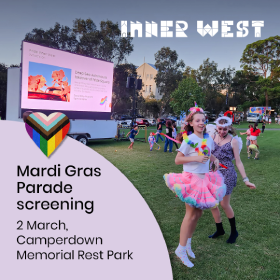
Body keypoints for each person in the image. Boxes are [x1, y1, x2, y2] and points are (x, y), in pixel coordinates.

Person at [163, 105, 226, 267]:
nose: (201, 123)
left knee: (198, 214)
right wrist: (196, 159)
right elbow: (178, 160)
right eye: (197, 120)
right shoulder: (189, 140)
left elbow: (207, 152)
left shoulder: (207, 138)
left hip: (204, 180)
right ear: (190, 123)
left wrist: (215, 160)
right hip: (190, 180)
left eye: (203, 120)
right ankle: (180, 249)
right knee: (190, 215)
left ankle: (188, 244)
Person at [208, 116, 256, 244]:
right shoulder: (212, 137)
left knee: (224, 204)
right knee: (212, 203)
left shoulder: (233, 141)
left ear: (229, 128)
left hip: (227, 174)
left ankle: (234, 231)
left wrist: (246, 179)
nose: (222, 131)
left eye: (225, 129)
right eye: (220, 129)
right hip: (212, 173)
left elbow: (239, 162)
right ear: (216, 127)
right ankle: (220, 230)